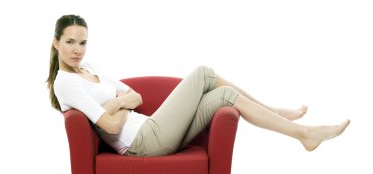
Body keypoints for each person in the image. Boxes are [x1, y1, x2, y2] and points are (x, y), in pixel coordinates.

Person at [47, 14, 350, 157]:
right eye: (70, 42)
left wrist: (117, 106)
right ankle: (277, 112)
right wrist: (117, 103)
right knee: (204, 73)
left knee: (225, 95)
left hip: (151, 127)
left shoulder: (90, 69)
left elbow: (136, 97)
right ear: (56, 43)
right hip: (143, 143)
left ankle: (303, 134)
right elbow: (111, 127)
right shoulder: (67, 84)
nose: (77, 49)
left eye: (83, 42)